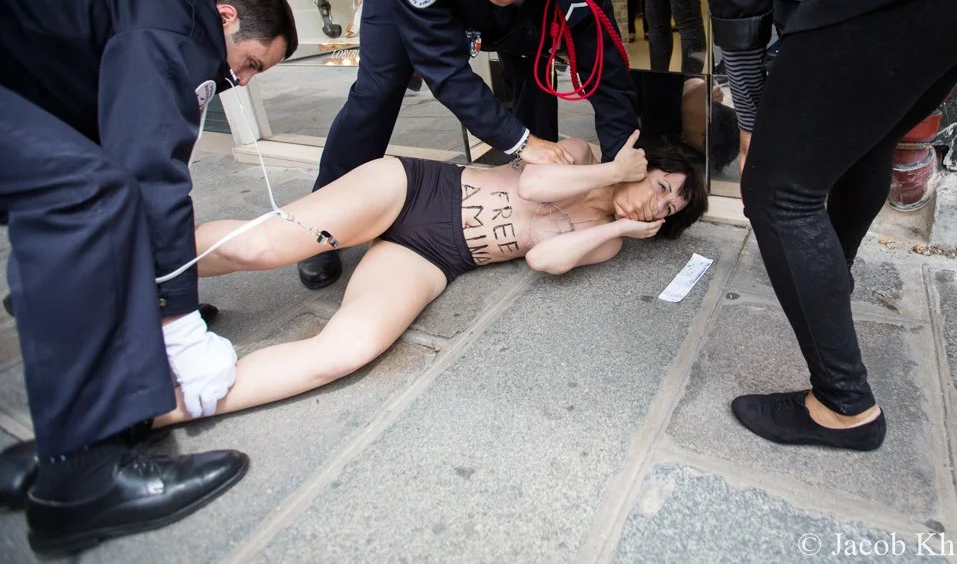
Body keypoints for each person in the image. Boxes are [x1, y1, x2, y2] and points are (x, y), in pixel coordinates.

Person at [0, 0, 297, 554]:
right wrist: (179, 325)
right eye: (249, 63)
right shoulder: (177, 23)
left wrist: (136, 308)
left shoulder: (143, 3)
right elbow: (148, 174)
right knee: (86, 194)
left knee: (78, 187)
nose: (240, 82)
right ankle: (81, 476)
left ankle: (65, 438)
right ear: (224, 17)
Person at [681, 0, 957, 451]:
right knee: (873, 137)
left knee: (775, 190)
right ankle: (831, 280)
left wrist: (752, 115)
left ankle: (843, 403)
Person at [154, 133, 707, 426]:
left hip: (434, 255)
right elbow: (534, 186)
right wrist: (611, 173)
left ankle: (159, 408)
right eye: (660, 187)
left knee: (347, 350)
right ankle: (127, 269)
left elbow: (545, 259)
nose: (656, 206)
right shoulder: (582, 153)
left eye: (668, 210)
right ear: (643, 165)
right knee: (262, 247)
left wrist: (622, 228)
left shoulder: (607, 240)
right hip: (414, 190)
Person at [298, 0, 640, 291]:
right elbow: (443, 67)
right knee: (379, 89)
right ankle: (319, 223)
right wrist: (520, 140)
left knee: (533, 70)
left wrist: (622, 169)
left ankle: (532, 198)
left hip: (528, 8)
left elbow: (608, 78)